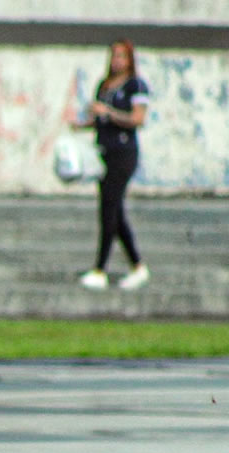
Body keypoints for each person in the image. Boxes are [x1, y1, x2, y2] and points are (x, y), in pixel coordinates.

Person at [73, 40, 150, 291]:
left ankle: (100, 269)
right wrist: (82, 124)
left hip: (123, 153)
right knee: (114, 210)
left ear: (129, 60)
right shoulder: (103, 85)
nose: (116, 61)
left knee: (109, 207)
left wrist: (108, 112)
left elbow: (137, 118)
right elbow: (99, 121)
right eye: (113, 56)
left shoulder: (135, 85)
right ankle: (137, 266)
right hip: (103, 152)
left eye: (121, 56)